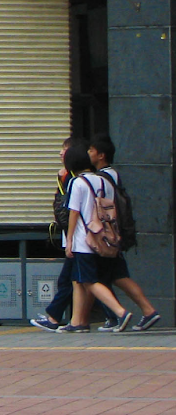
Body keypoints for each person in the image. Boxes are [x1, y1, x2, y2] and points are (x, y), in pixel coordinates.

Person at [59, 140, 154, 333]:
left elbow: (73, 213)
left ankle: (119, 312)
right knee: (88, 279)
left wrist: (68, 240)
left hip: (83, 241)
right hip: (104, 238)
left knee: (88, 281)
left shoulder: (77, 182)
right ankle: (79, 321)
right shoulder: (102, 179)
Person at [84, 135, 159, 331]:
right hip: (114, 234)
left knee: (101, 278)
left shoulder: (103, 177)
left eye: (91, 150)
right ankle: (146, 311)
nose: (88, 154)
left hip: (107, 235)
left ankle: (119, 316)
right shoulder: (113, 174)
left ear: (101, 155)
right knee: (117, 276)